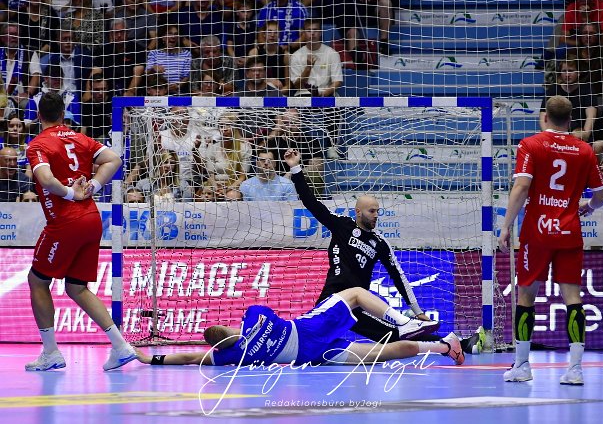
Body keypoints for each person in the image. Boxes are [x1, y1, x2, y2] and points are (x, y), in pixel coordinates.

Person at [282, 148, 453, 342]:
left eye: (377, 211)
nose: (376, 215)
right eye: (372, 211)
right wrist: (295, 168)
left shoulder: (380, 243)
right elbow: (311, 202)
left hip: (357, 306)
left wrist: (417, 311)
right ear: (358, 212)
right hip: (332, 299)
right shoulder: (342, 225)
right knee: (309, 338)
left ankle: (451, 343)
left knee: (393, 335)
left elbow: (398, 277)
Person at [498, 95, 603, 385]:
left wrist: (506, 226)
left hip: (537, 231)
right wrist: (588, 207)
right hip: (569, 230)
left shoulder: (530, 144)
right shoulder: (584, 150)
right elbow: (601, 195)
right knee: (573, 298)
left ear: (544, 116)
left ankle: (522, 365)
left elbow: (522, 187)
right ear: (570, 120)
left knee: (526, 297)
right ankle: (575, 369)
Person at [24, 92, 136, 371]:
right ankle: (121, 347)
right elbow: (114, 159)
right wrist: (94, 186)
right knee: (76, 287)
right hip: (92, 219)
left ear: (38, 116)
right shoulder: (80, 138)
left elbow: (46, 179)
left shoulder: (38, 144)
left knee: (37, 280)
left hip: (66, 222)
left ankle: (51, 353)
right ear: (64, 114)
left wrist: (70, 194)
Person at [135, 287, 465, 367]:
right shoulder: (255, 314)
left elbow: (190, 357)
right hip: (308, 330)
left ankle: (442, 347)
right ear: (226, 325)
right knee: (354, 293)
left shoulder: (230, 357)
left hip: (312, 355)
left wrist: (152, 359)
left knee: (380, 354)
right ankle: (403, 323)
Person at [289, 18, 343, 97]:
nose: (312, 33)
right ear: (303, 34)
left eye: (315, 30)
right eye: (309, 30)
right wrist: (308, 68)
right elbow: (297, 85)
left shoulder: (332, 53)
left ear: (320, 33)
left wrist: (323, 94)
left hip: (326, 94)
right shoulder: (296, 56)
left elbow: (337, 81)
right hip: (304, 94)